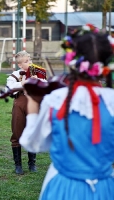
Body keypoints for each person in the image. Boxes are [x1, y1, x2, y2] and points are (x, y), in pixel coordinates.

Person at [20, 24, 114, 199]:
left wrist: (33, 106)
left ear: (70, 59)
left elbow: (33, 143)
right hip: (105, 189)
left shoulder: (56, 99)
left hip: (63, 189)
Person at [6, 51, 45, 175]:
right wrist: (22, 83)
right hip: (20, 105)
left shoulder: (37, 73)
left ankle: (32, 163)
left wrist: (37, 81)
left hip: (33, 105)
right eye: (26, 61)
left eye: (30, 60)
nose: (30, 63)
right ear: (20, 65)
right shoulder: (15, 75)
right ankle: (18, 165)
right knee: (17, 132)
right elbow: (10, 89)